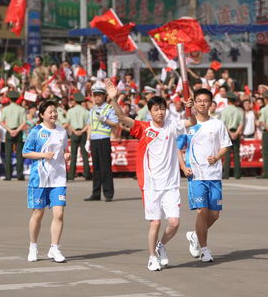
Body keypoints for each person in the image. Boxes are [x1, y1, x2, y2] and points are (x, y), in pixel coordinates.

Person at [106, 79, 195, 271]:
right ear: (150, 112)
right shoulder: (145, 128)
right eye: (156, 109)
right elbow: (122, 118)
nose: (160, 112)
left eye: (162, 108)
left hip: (171, 184)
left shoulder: (172, 125)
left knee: (174, 222)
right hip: (152, 185)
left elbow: (192, 122)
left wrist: (190, 108)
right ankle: (152, 257)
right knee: (155, 222)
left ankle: (161, 245)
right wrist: (114, 100)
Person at [178, 88, 231, 262]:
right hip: (196, 175)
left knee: (214, 214)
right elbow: (177, 149)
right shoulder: (188, 125)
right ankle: (205, 249)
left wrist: (217, 156)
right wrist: (184, 167)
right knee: (202, 212)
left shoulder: (217, 124)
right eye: (199, 100)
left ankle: (194, 235)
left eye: (205, 100)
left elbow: (225, 145)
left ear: (211, 103)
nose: (202, 103)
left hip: (214, 175)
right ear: (194, 102)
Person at [22, 100, 69, 263]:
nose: (54, 114)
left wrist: (66, 155)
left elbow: (64, 150)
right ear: (42, 115)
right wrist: (43, 155)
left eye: (55, 111)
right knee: (38, 213)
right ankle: (33, 247)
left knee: (59, 213)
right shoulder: (36, 131)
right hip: (40, 178)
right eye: (50, 111)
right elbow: (25, 153)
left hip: (58, 178)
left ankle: (54, 248)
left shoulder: (62, 131)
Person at [84, 83, 118, 202]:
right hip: (94, 140)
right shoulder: (92, 110)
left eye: (99, 95)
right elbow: (90, 125)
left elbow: (116, 124)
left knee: (105, 167)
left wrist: (105, 120)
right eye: (95, 95)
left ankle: (108, 193)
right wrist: (87, 141)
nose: (97, 97)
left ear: (104, 96)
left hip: (104, 140)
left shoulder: (109, 108)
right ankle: (96, 193)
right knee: (96, 167)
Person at [1, 90, 26, 181]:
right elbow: (24, 122)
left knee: (8, 154)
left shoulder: (5, 109)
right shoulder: (22, 109)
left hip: (9, 131)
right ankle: (20, 175)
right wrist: (17, 130)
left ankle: (8, 175)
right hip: (18, 131)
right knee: (19, 154)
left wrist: (10, 130)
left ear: (9, 99)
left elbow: (1, 122)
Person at [66, 92, 91, 181]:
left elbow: (68, 124)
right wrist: (82, 131)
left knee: (73, 155)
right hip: (83, 132)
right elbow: (88, 125)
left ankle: (71, 175)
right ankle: (87, 174)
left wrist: (75, 132)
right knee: (84, 154)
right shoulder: (86, 112)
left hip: (74, 133)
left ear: (75, 101)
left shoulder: (70, 111)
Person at [220, 92, 243, 179]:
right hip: (236, 131)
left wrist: (230, 133)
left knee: (227, 154)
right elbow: (241, 124)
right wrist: (236, 133)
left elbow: (223, 123)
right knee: (236, 153)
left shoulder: (225, 110)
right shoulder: (239, 110)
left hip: (228, 132)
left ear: (228, 100)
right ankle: (237, 174)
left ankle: (226, 174)